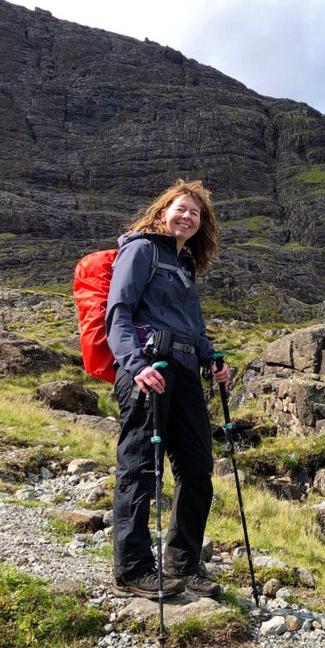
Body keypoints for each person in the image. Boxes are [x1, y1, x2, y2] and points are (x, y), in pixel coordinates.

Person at [105, 178, 230, 600]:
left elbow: (193, 329)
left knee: (197, 468)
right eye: (181, 209)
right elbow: (118, 312)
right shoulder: (141, 250)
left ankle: (183, 563)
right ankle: (133, 569)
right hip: (148, 367)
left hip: (185, 370)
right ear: (163, 212)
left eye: (196, 213)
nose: (188, 216)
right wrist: (135, 366)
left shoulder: (184, 267)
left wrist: (213, 358)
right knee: (142, 466)